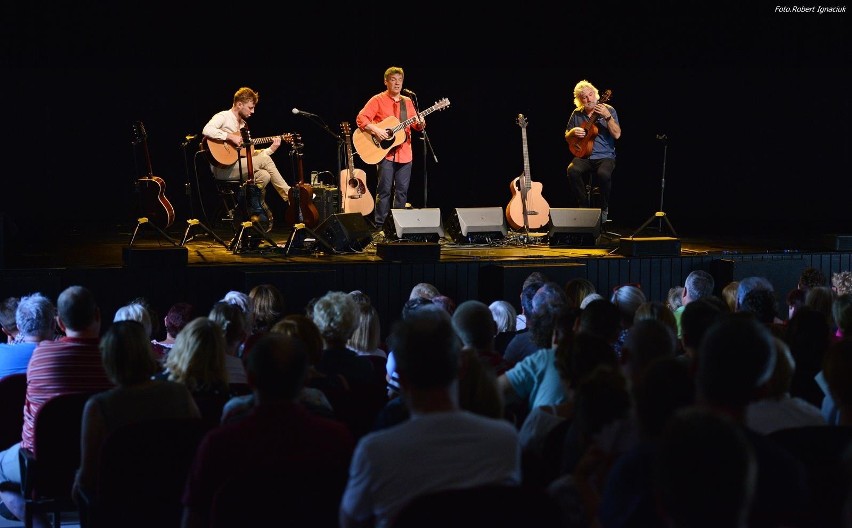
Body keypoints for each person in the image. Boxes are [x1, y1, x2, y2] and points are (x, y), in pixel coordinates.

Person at [201, 86, 290, 225]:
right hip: (223, 169)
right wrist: (229, 136)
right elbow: (207, 130)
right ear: (239, 104)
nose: (253, 111)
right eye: (250, 107)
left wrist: (271, 149)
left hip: (238, 167)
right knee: (265, 160)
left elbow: (250, 156)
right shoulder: (223, 116)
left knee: (264, 175)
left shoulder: (244, 126)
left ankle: (245, 206)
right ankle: (290, 196)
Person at [355, 66, 426, 230]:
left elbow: (416, 125)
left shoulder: (408, 101)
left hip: (405, 152)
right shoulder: (377, 100)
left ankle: (396, 227)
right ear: (386, 82)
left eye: (400, 80)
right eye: (393, 80)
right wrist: (377, 130)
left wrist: (420, 123)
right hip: (385, 153)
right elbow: (361, 119)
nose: (397, 83)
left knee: (402, 192)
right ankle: (380, 227)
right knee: (384, 191)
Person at [564, 79, 621, 224]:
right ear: (579, 100)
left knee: (603, 174)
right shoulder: (577, 113)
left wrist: (607, 117)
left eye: (590, 94)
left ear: (596, 95)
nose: (589, 98)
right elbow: (567, 135)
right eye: (584, 97)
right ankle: (584, 206)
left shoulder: (608, 110)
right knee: (572, 170)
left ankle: (603, 208)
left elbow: (617, 135)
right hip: (584, 155)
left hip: (605, 156)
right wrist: (572, 132)